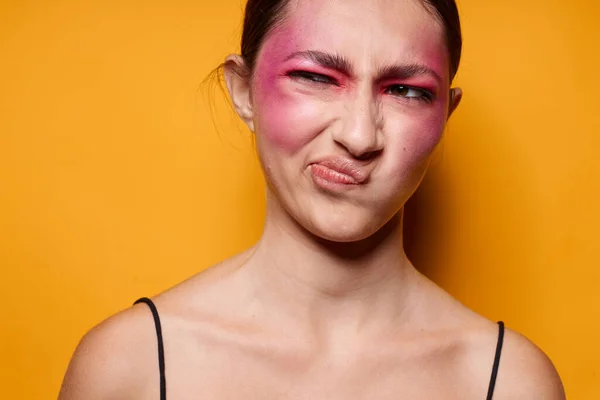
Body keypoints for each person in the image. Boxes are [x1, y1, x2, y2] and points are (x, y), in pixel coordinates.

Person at [59, 0, 565, 398]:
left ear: (445, 116)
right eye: (316, 78)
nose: (361, 136)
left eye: (407, 91)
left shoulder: (511, 383)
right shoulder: (130, 365)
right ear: (242, 90)